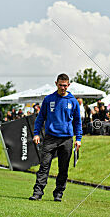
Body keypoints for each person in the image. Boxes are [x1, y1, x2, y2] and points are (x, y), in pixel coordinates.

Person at [29, 73, 82, 202]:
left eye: (65, 85)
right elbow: (40, 118)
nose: (62, 88)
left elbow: (77, 122)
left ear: (68, 85)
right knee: (44, 166)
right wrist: (36, 133)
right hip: (50, 138)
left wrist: (78, 139)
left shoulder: (73, 101)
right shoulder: (48, 99)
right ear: (56, 84)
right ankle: (38, 192)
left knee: (63, 168)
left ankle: (58, 193)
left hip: (67, 139)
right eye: (60, 85)